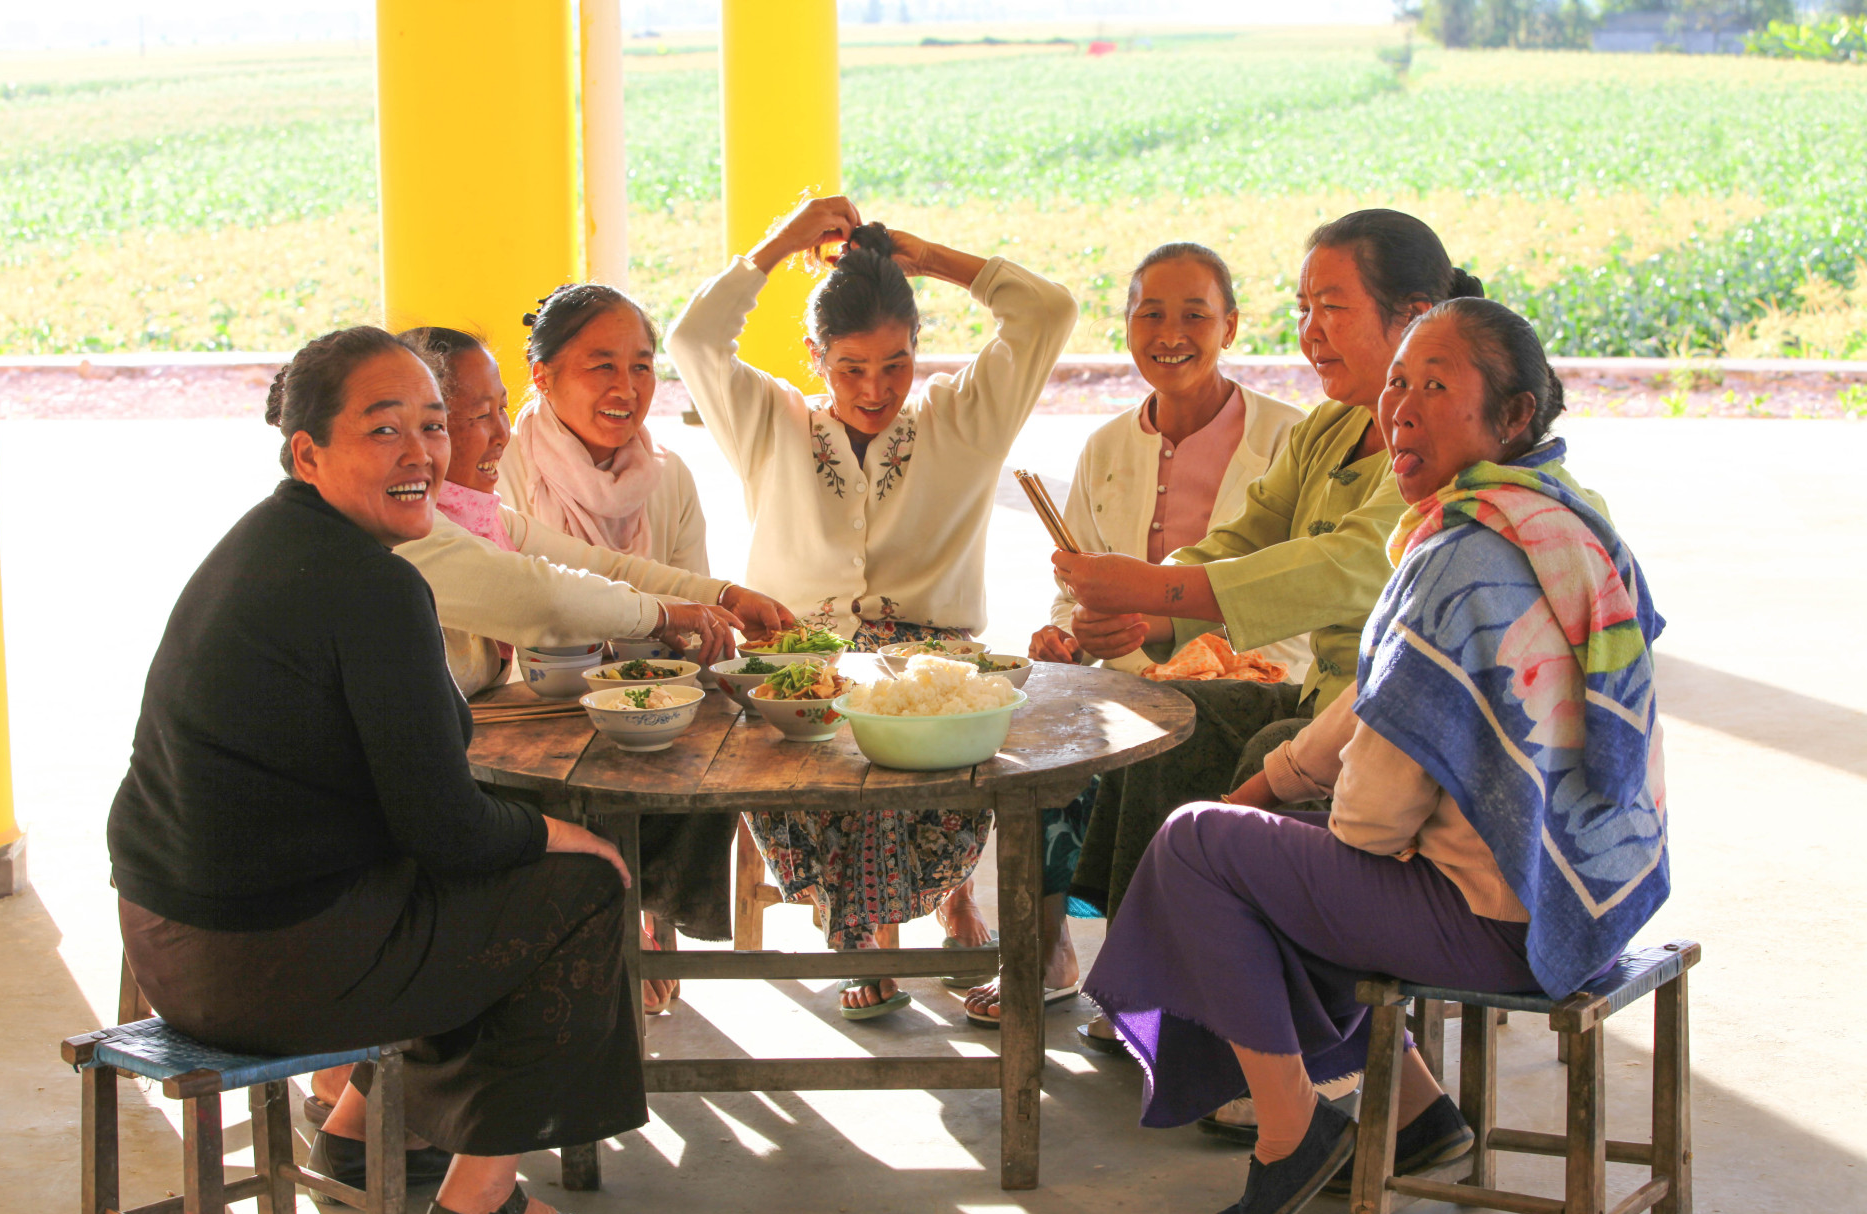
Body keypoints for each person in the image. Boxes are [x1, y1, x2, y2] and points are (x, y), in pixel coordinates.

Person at [1084, 297, 1670, 1214]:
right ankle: (1417, 1112)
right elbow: (1380, 695)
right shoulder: (1552, 523)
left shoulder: (1458, 556)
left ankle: (1293, 1128)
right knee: (1248, 841)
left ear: (1512, 417)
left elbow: (1372, 822)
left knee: (1199, 847)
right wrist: (1271, 787)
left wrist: (1277, 829)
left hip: (1506, 923)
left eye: (1435, 386)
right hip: (1587, 894)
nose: (1400, 407)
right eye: (1399, 382)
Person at [108, 327, 646, 1214]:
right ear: (307, 450)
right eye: (383, 428)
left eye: (432, 427)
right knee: (583, 890)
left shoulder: (261, 541)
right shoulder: (373, 587)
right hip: (255, 971)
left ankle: (358, 1135)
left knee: (459, 891)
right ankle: (479, 1208)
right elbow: (449, 832)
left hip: (166, 940)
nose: (422, 454)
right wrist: (568, 837)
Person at [1052, 209, 1483, 1052]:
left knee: (1266, 758)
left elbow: (1352, 563)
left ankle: (1266, 1040)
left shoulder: (1442, 445)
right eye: (1303, 307)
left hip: (1396, 721)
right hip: (1325, 698)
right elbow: (1249, 537)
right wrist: (1151, 604)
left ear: (1415, 317)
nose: (1312, 333)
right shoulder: (1329, 427)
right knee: (1170, 722)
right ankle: (1163, 990)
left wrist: (1159, 585)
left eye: (1333, 307)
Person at [666, 194, 1077, 1017]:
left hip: (935, 667)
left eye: (895, 364)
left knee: (901, 726)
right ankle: (871, 936)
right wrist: (782, 241)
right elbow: (692, 340)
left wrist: (934, 260)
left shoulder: (966, 419)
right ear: (815, 356)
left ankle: (913, 917)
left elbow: (1050, 311)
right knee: (816, 732)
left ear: (919, 351)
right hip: (800, 662)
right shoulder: (770, 423)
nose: (875, 388)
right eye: (850, 367)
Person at [393, 326, 794, 1011]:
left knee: (661, 768)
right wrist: (664, 616)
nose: (500, 433)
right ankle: (605, 962)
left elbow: (588, 566)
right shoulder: (412, 531)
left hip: (475, 762)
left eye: (499, 409)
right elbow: (543, 597)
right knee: (588, 849)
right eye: (470, 417)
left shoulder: (473, 517)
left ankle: (625, 938)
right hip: (409, 807)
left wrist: (718, 596)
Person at [963, 242, 1311, 1030]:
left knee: (1174, 729)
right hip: (1116, 679)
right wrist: (1068, 637)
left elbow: (1294, 590)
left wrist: (1158, 623)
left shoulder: (1289, 440)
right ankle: (1046, 948)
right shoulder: (1107, 447)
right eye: (1150, 312)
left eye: (1195, 313)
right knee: (1027, 733)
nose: (1171, 332)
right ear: (1126, 325)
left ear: (1231, 326)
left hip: (1248, 675)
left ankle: (1151, 982)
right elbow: (1072, 590)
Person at [498, 284, 711, 576]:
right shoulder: (498, 471)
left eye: (641, 367)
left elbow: (697, 605)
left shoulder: (669, 477)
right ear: (542, 375)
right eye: (603, 366)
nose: (626, 390)